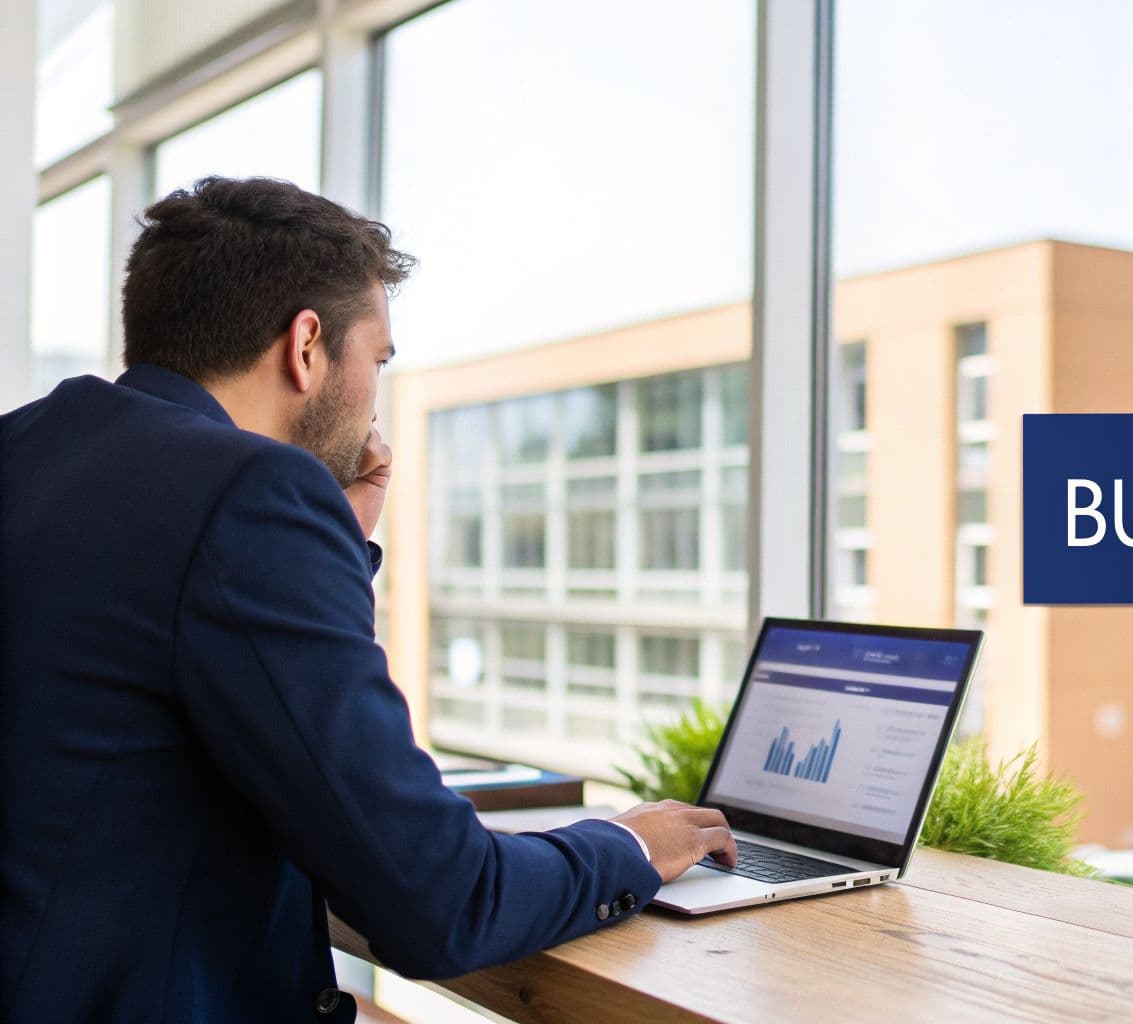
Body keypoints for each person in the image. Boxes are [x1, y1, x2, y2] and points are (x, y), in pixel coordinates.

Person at [0, 176, 737, 1023]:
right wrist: (630, 845)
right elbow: (441, 903)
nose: (375, 391)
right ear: (307, 346)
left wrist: (329, 548)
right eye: (379, 358)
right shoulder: (250, 493)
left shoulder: (28, 446)